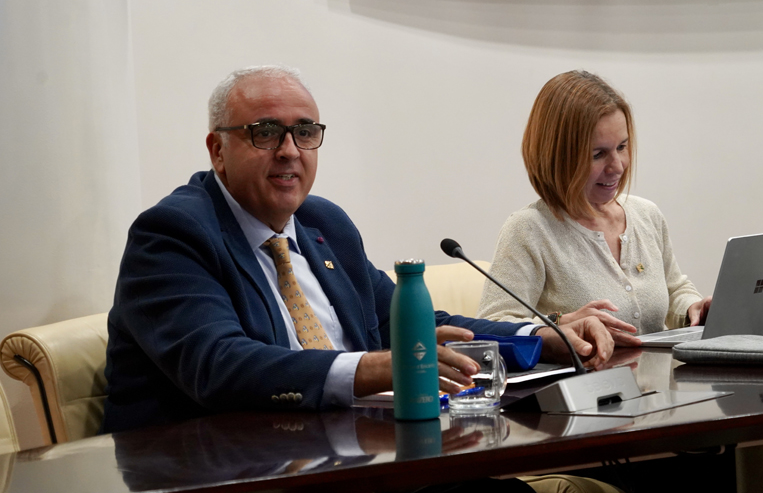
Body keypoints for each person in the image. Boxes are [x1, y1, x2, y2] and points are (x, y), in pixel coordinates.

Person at [102, 66, 618, 436]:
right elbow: (219, 366)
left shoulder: (323, 223)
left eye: (304, 133)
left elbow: (413, 327)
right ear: (217, 150)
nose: (289, 150)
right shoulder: (172, 234)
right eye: (265, 133)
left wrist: (543, 335)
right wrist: (372, 367)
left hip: (348, 451)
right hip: (223, 466)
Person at [477, 70, 711, 339]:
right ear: (557, 156)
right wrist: (559, 322)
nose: (618, 166)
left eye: (622, 147)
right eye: (598, 154)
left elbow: (674, 290)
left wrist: (694, 308)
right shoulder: (529, 229)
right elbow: (494, 324)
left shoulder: (647, 215)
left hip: (655, 381)